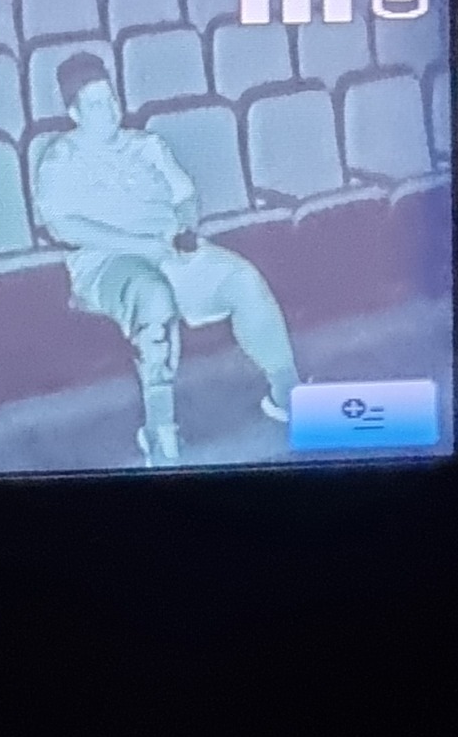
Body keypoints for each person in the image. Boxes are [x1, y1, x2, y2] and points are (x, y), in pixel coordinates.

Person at [33, 52, 300, 465]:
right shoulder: (59, 158)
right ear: (74, 113)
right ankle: (160, 433)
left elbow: (185, 196)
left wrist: (184, 230)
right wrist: (140, 246)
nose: (110, 110)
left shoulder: (147, 145)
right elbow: (63, 227)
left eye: (111, 99)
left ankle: (288, 394)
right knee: (153, 298)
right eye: (97, 105)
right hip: (107, 262)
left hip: (168, 249)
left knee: (243, 279)